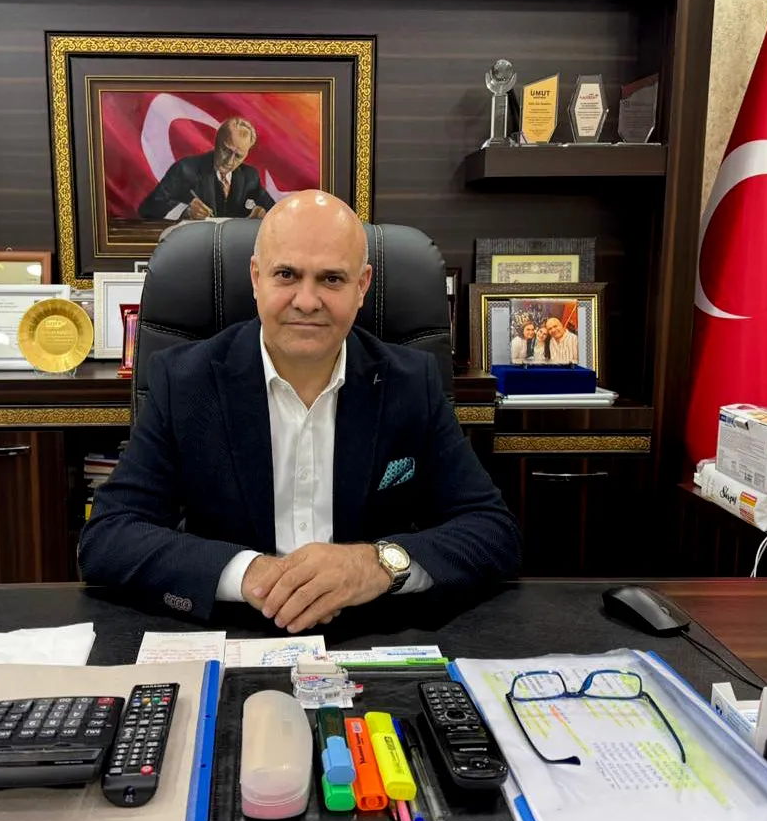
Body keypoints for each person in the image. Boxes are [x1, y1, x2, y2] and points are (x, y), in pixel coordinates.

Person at [79, 190, 521, 631]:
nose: (307, 301)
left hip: (369, 633)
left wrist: (375, 564)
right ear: (256, 278)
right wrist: (247, 573)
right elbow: (109, 535)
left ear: (362, 286)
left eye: (332, 279)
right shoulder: (184, 381)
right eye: (287, 274)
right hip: (234, 631)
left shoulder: (411, 382)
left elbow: (492, 530)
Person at [137, 117, 275, 222]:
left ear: (246, 154)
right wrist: (185, 211)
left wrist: (264, 213)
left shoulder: (250, 176)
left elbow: (275, 210)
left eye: (238, 156)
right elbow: (148, 207)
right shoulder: (186, 169)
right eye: (226, 150)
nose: (230, 161)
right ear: (216, 142)